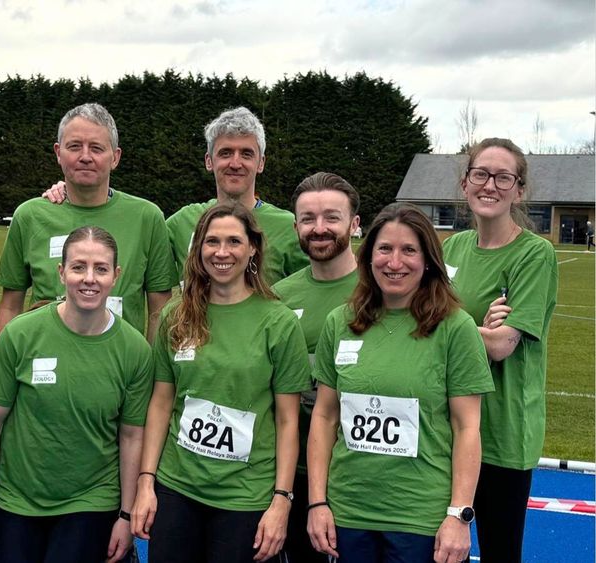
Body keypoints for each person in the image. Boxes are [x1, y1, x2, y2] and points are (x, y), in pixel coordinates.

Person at [308, 203, 494, 563]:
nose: (395, 263)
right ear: (368, 256)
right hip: (348, 514)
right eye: (384, 249)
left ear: (428, 260)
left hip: (419, 518)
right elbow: (325, 417)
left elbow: (467, 426)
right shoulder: (339, 322)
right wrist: (318, 501)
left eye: (409, 250)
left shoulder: (455, 328)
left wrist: (459, 514)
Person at [131, 202, 310, 563]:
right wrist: (146, 481)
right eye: (211, 242)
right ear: (198, 250)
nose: (222, 252)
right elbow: (161, 403)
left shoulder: (279, 322)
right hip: (177, 489)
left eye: (234, 241)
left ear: (253, 248)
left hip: (245, 497)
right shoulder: (176, 315)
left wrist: (282, 499)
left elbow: (288, 420)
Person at [0, 226, 152, 563]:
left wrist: (125, 516)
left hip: (91, 501)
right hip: (16, 500)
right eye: (79, 267)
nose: (89, 278)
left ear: (117, 275)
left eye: (101, 268)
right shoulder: (21, 334)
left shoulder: (135, 350)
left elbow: (131, 436)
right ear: (61, 271)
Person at [442, 138, 558, 562]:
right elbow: (423, 319)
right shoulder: (452, 248)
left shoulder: (534, 253)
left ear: (519, 189)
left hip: (503, 432)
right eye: (481, 174)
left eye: (503, 177)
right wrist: (475, 328)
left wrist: (456, 326)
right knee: (441, 546)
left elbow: (502, 345)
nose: (490, 185)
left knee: (500, 552)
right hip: (449, 427)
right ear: (465, 181)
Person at [0, 102, 176, 342]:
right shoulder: (29, 216)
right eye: (75, 146)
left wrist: (154, 375)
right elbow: (10, 306)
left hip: (121, 372)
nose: (85, 157)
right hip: (45, 369)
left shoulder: (147, 217)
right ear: (58, 152)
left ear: (115, 157)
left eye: (97, 148)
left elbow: (159, 311)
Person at [271, 172, 360, 563]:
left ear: (355, 224)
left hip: (357, 475)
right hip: (291, 473)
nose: (319, 228)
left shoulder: (383, 291)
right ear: (295, 227)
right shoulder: (279, 297)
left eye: (331, 217)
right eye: (308, 219)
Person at [165, 107, 308, 285]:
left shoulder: (288, 227)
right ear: (209, 161)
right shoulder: (181, 223)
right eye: (225, 153)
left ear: (261, 163)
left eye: (246, 154)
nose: (235, 163)